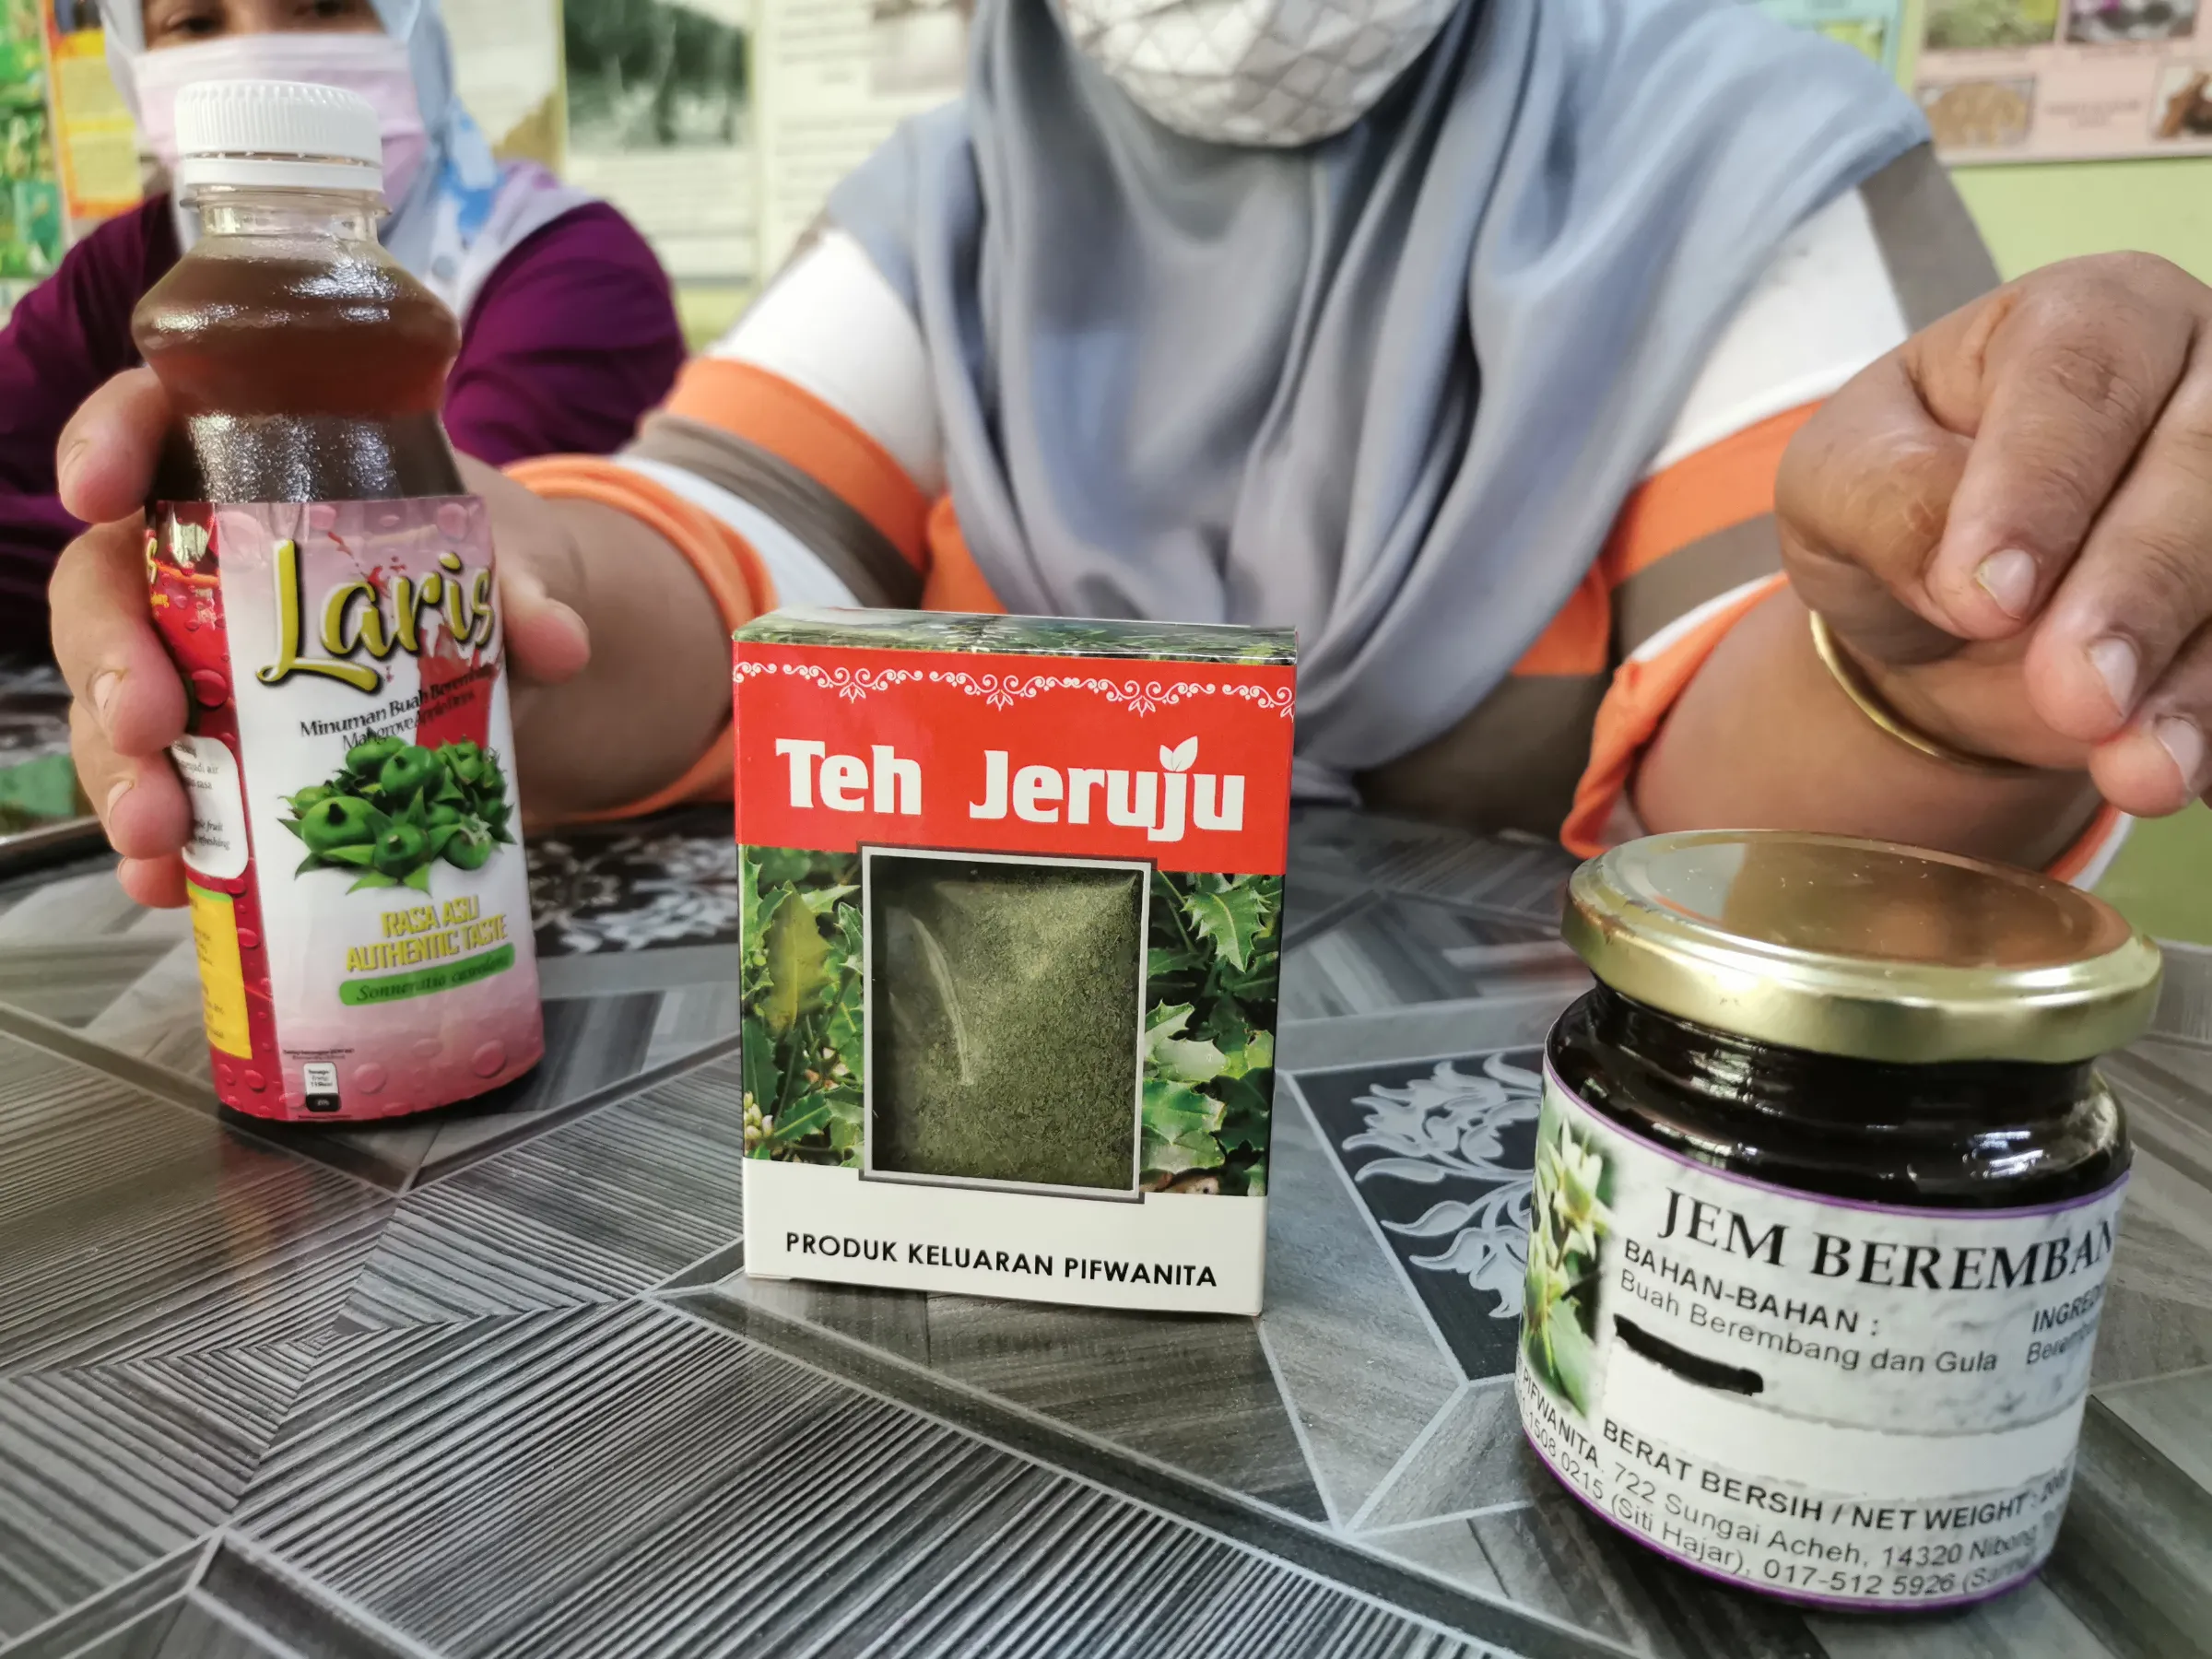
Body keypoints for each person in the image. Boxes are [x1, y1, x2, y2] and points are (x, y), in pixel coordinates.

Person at [56, 0, 2212, 907]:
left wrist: (1939, 656)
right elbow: (706, 577)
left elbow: (1750, 783)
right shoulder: (959, 198)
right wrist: (402, 566)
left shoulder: (1719, 156)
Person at [0, 0, 686, 653]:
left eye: (325, 5)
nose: (260, 64)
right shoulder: (128, 263)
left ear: (411, 23)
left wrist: (164, 543)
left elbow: (403, 546)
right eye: (195, 20)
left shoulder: (572, 266)